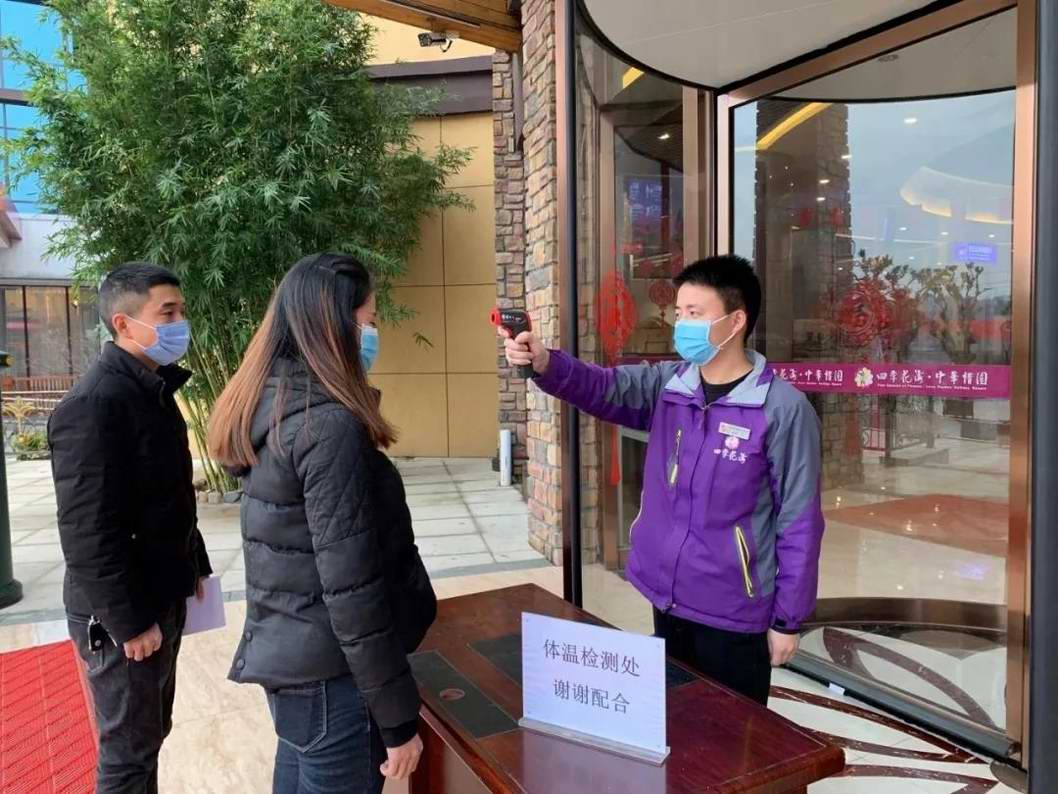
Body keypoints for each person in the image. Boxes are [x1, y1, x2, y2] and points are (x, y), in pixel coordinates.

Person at [503, 254, 825, 706]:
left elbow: (799, 520)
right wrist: (544, 363)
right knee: (675, 720)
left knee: (733, 735)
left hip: (733, 611)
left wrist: (787, 620)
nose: (682, 324)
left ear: (736, 321)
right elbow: (602, 387)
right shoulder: (670, 387)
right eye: (679, 312)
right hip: (667, 597)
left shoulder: (782, 410)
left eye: (695, 313)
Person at [207, 252, 437, 794]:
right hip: (335, 681)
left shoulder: (275, 404)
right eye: (369, 321)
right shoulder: (326, 426)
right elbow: (352, 589)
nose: (374, 335)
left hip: (296, 663)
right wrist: (397, 718)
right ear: (336, 326)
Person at [49, 262, 213, 792]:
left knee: (149, 735)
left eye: (181, 311)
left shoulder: (151, 390)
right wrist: (129, 621)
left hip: (160, 592)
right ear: (123, 323)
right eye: (168, 313)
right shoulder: (95, 404)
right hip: (125, 610)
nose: (180, 323)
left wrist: (194, 565)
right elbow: (87, 530)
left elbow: (169, 496)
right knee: (127, 753)